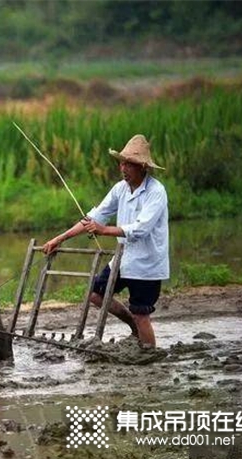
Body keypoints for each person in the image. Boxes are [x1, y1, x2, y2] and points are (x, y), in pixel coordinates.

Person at [43, 134, 169, 348]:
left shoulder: (156, 192)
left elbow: (140, 229)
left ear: (142, 167)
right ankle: (133, 326)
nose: (123, 168)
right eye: (122, 163)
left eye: (129, 164)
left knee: (142, 314)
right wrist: (60, 238)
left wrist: (103, 230)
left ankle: (150, 355)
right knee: (95, 295)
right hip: (124, 259)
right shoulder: (119, 189)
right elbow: (94, 217)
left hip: (147, 263)